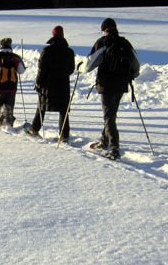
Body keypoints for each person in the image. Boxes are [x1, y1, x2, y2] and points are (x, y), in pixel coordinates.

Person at [78, 17, 141, 160]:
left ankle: (114, 148)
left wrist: (80, 68)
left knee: (109, 117)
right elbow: (136, 65)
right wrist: (130, 75)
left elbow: (89, 64)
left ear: (103, 30)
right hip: (122, 84)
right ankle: (104, 141)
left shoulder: (103, 42)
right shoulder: (125, 43)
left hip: (106, 84)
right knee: (111, 115)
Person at [25, 25, 76, 143]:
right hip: (63, 85)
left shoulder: (46, 50)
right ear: (63, 35)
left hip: (47, 85)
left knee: (42, 107)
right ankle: (64, 135)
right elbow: (71, 69)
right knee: (64, 110)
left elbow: (41, 69)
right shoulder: (69, 51)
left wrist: (38, 82)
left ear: (53, 35)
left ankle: (34, 129)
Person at [0, 37, 26, 128]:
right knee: (10, 105)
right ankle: (9, 122)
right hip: (12, 87)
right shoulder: (15, 57)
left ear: (1, 45)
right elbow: (22, 70)